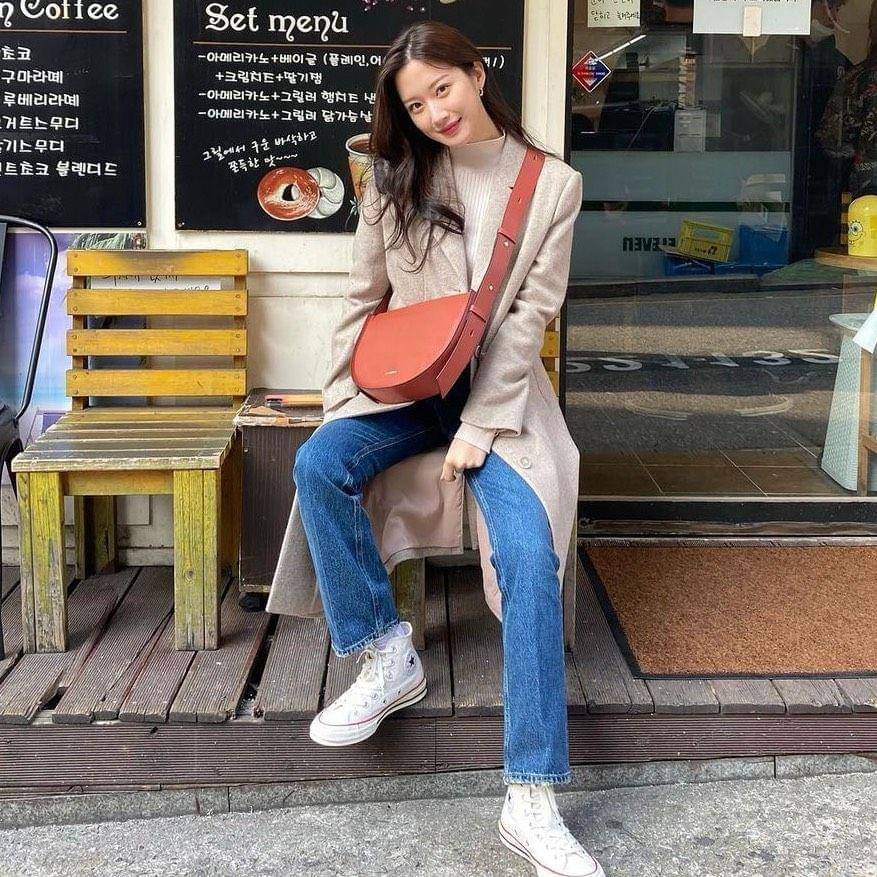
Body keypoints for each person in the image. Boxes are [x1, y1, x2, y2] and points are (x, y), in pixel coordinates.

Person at [278, 21, 599, 877]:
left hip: (502, 402)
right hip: (406, 391)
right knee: (319, 462)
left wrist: (477, 429)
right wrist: (340, 402)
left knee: (528, 556)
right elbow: (362, 298)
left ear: (476, 73)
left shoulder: (552, 184)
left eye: (441, 89)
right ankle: (385, 651)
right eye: (414, 105)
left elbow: (528, 321)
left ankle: (530, 794)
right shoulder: (394, 176)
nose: (432, 114)